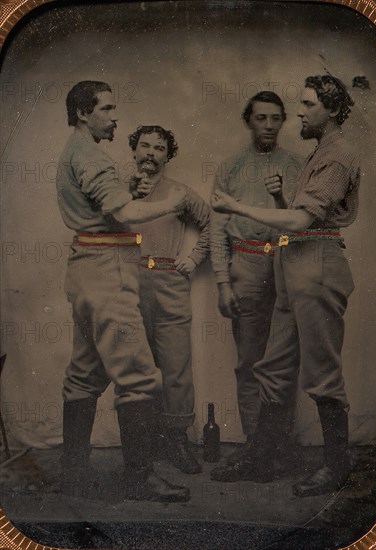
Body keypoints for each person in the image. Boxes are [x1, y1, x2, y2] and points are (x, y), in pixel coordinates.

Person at [210, 75, 360, 497]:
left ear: (330, 111)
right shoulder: (319, 153)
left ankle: (336, 465)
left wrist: (236, 205)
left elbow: (300, 222)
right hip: (292, 264)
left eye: (308, 105)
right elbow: (293, 216)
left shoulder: (339, 156)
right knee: (273, 369)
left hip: (316, 265)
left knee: (322, 372)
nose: (300, 113)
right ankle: (261, 458)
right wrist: (278, 199)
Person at [56, 81, 190, 502]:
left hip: (86, 269)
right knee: (139, 378)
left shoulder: (76, 152)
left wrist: (129, 193)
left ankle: (73, 476)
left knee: (85, 374)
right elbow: (126, 213)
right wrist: (171, 204)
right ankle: (141, 479)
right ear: (82, 112)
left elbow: (108, 206)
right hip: (107, 273)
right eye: (107, 108)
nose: (115, 117)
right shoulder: (91, 155)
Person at [210, 92, 301, 459]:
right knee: (249, 360)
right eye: (260, 118)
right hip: (245, 268)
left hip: (284, 265)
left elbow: (302, 220)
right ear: (248, 120)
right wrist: (222, 281)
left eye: (275, 118)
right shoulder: (230, 168)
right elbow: (217, 228)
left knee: (283, 360)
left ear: (283, 121)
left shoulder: (297, 165)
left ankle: (277, 444)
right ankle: (253, 445)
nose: (268, 125)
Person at [128, 125, 210, 474]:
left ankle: (176, 441)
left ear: (167, 154)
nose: (150, 153)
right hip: (129, 284)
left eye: (158, 147)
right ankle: (141, 447)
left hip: (170, 283)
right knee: (136, 367)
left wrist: (192, 259)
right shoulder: (117, 191)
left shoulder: (180, 193)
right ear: (134, 150)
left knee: (175, 367)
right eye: (144, 146)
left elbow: (212, 224)